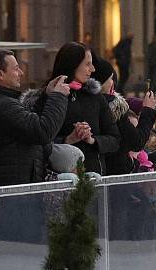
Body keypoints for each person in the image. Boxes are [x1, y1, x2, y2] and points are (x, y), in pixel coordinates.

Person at [0, 49, 69, 186]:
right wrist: (58, 97)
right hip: (12, 187)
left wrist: (47, 95)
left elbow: (28, 121)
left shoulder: (4, 101)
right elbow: (42, 131)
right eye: (16, 69)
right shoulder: (1, 105)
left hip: (18, 182)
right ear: (0, 75)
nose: (21, 73)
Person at [40, 42, 119, 175]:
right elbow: (39, 139)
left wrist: (92, 140)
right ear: (73, 65)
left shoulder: (95, 97)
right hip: (61, 177)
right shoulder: (48, 96)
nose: (93, 69)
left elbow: (115, 139)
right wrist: (68, 140)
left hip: (94, 176)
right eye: (87, 64)